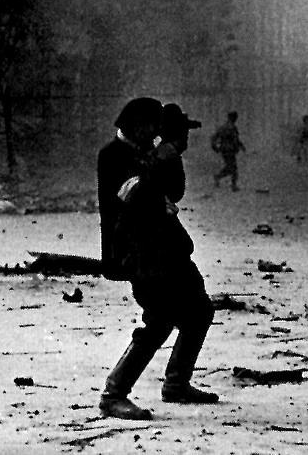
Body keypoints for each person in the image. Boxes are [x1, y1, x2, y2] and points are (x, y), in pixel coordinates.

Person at [97, 97, 217, 422]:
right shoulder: (112, 156)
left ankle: (177, 383)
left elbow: (175, 192)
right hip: (140, 253)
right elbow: (130, 194)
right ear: (136, 125)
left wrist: (171, 153)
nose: (155, 134)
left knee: (201, 310)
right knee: (159, 320)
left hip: (169, 249)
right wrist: (158, 158)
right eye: (152, 127)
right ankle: (114, 394)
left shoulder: (147, 152)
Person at [211, 111, 245, 191]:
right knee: (233, 168)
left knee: (230, 167)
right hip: (230, 150)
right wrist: (240, 146)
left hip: (224, 150)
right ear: (232, 118)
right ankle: (233, 185)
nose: (235, 119)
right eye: (235, 118)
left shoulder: (223, 127)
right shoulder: (232, 127)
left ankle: (218, 177)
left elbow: (214, 137)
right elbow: (236, 139)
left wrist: (215, 147)